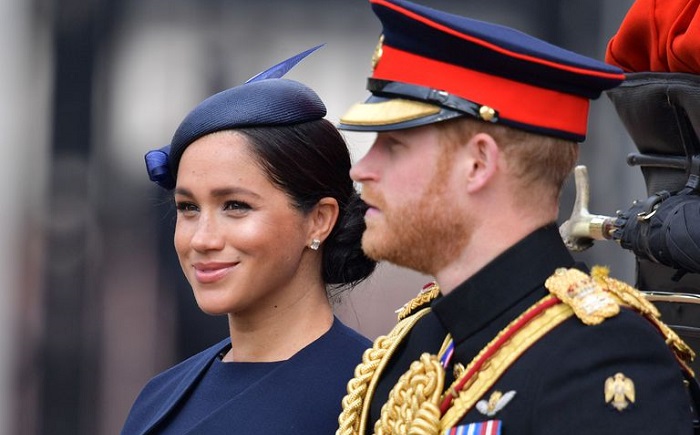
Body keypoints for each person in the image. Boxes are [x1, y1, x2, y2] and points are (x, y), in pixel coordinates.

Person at [334, 0, 698, 434]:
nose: (361, 169)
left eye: (393, 146)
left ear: (478, 164)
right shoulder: (419, 339)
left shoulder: (599, 360)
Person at [120, 47, 376, 434]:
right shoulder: (159, 397)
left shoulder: (373, 398)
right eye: (188, 208)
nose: (202, 239)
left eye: (235, 206)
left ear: (319, 220)